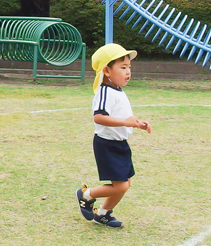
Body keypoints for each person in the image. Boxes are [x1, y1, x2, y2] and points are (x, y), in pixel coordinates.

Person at [75, 43, 152, 228]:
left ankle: (103, 213)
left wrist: (137, 123)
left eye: (129, 68)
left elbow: (122, 116)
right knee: (121, 185)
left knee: (125, 183)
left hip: (120, 143)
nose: (128, 72)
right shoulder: (104, 92)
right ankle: (86, 195)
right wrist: (126, 122)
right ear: (107, 71)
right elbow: (99, 117)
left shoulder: (117, 90)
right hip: (106, 144)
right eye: (123, 67)